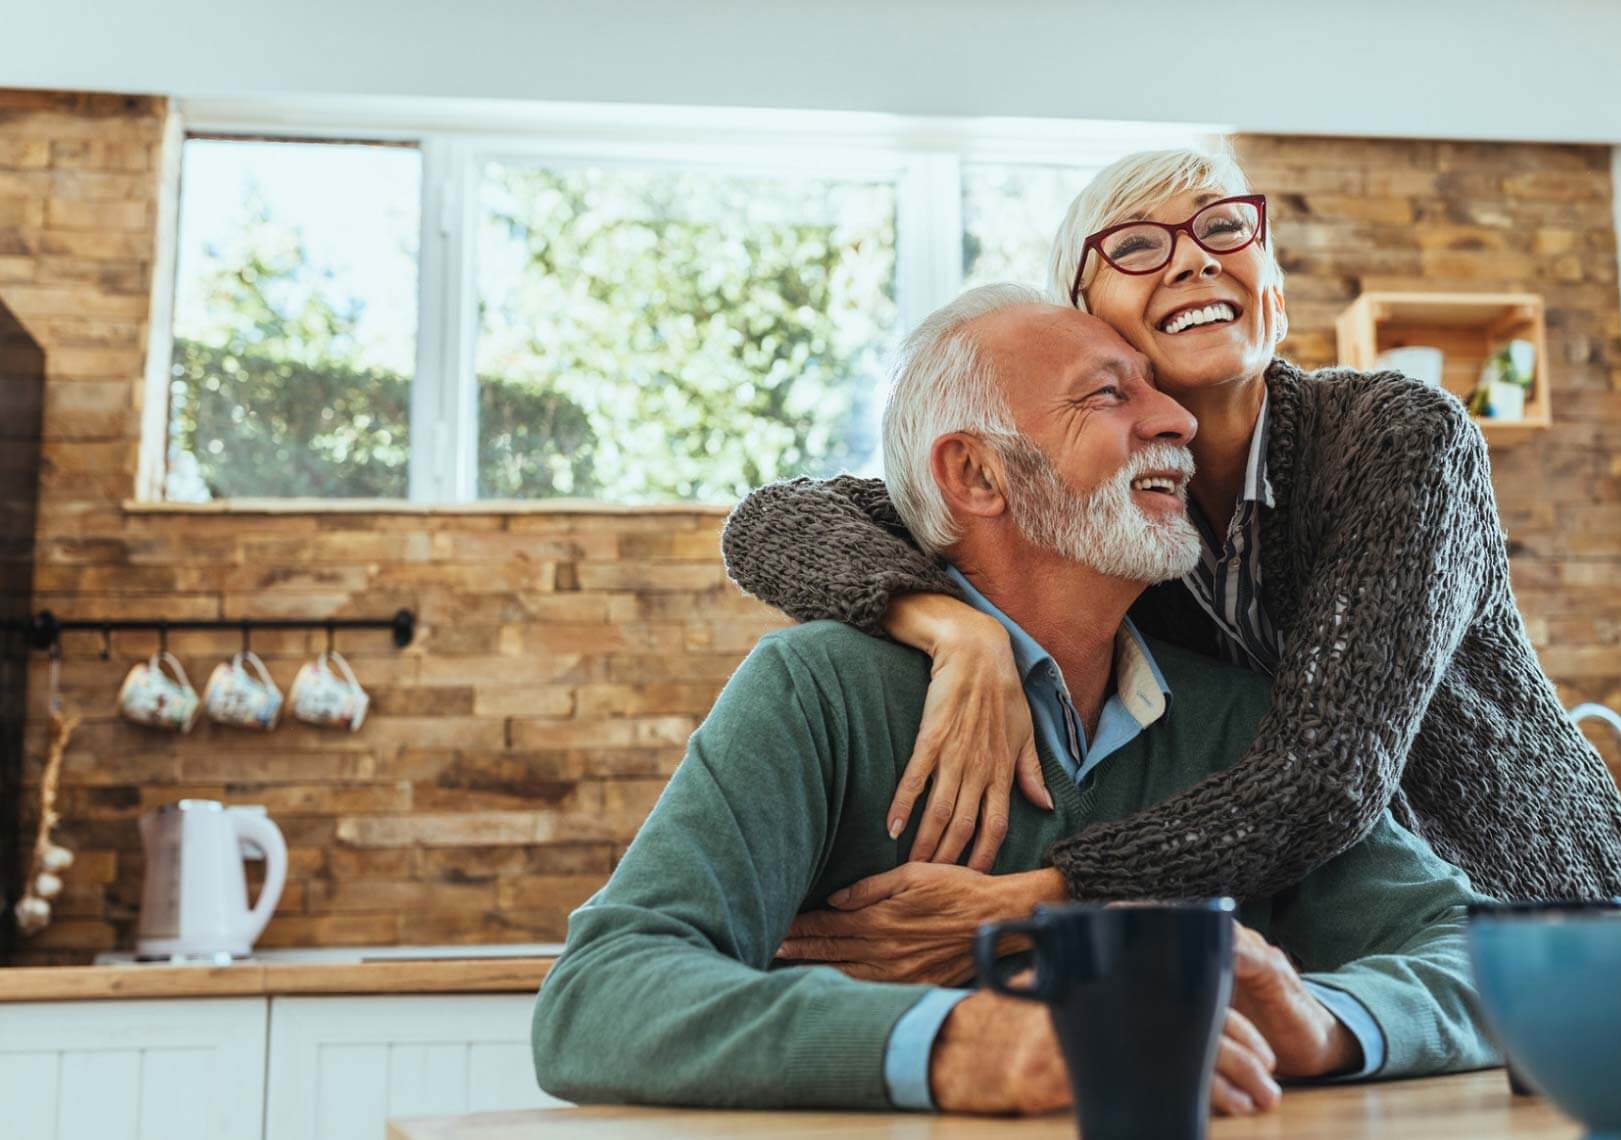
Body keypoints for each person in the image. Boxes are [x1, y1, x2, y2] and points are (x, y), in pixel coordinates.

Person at [531, 286, 1498, 1117]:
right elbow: (600, 995)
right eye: (1110, 396)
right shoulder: (818, 691)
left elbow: (1477, 955)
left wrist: (1324, 1022)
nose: (1177, 421)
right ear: (977, 473)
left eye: (1158, 391)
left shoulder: (1241, 721)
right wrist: (967, 1043)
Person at [719, 149, 1621, 950]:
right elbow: (774, 520)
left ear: (1270, 284)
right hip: (1334, 935)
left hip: (1539, 911)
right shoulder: (1108, 510)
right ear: (1087, 317)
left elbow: (1328, 776)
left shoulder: (1398, 439)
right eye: (1137, 245)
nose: (1195, 254)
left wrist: (1045, 899)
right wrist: (957, 629)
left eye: (1225, 229)